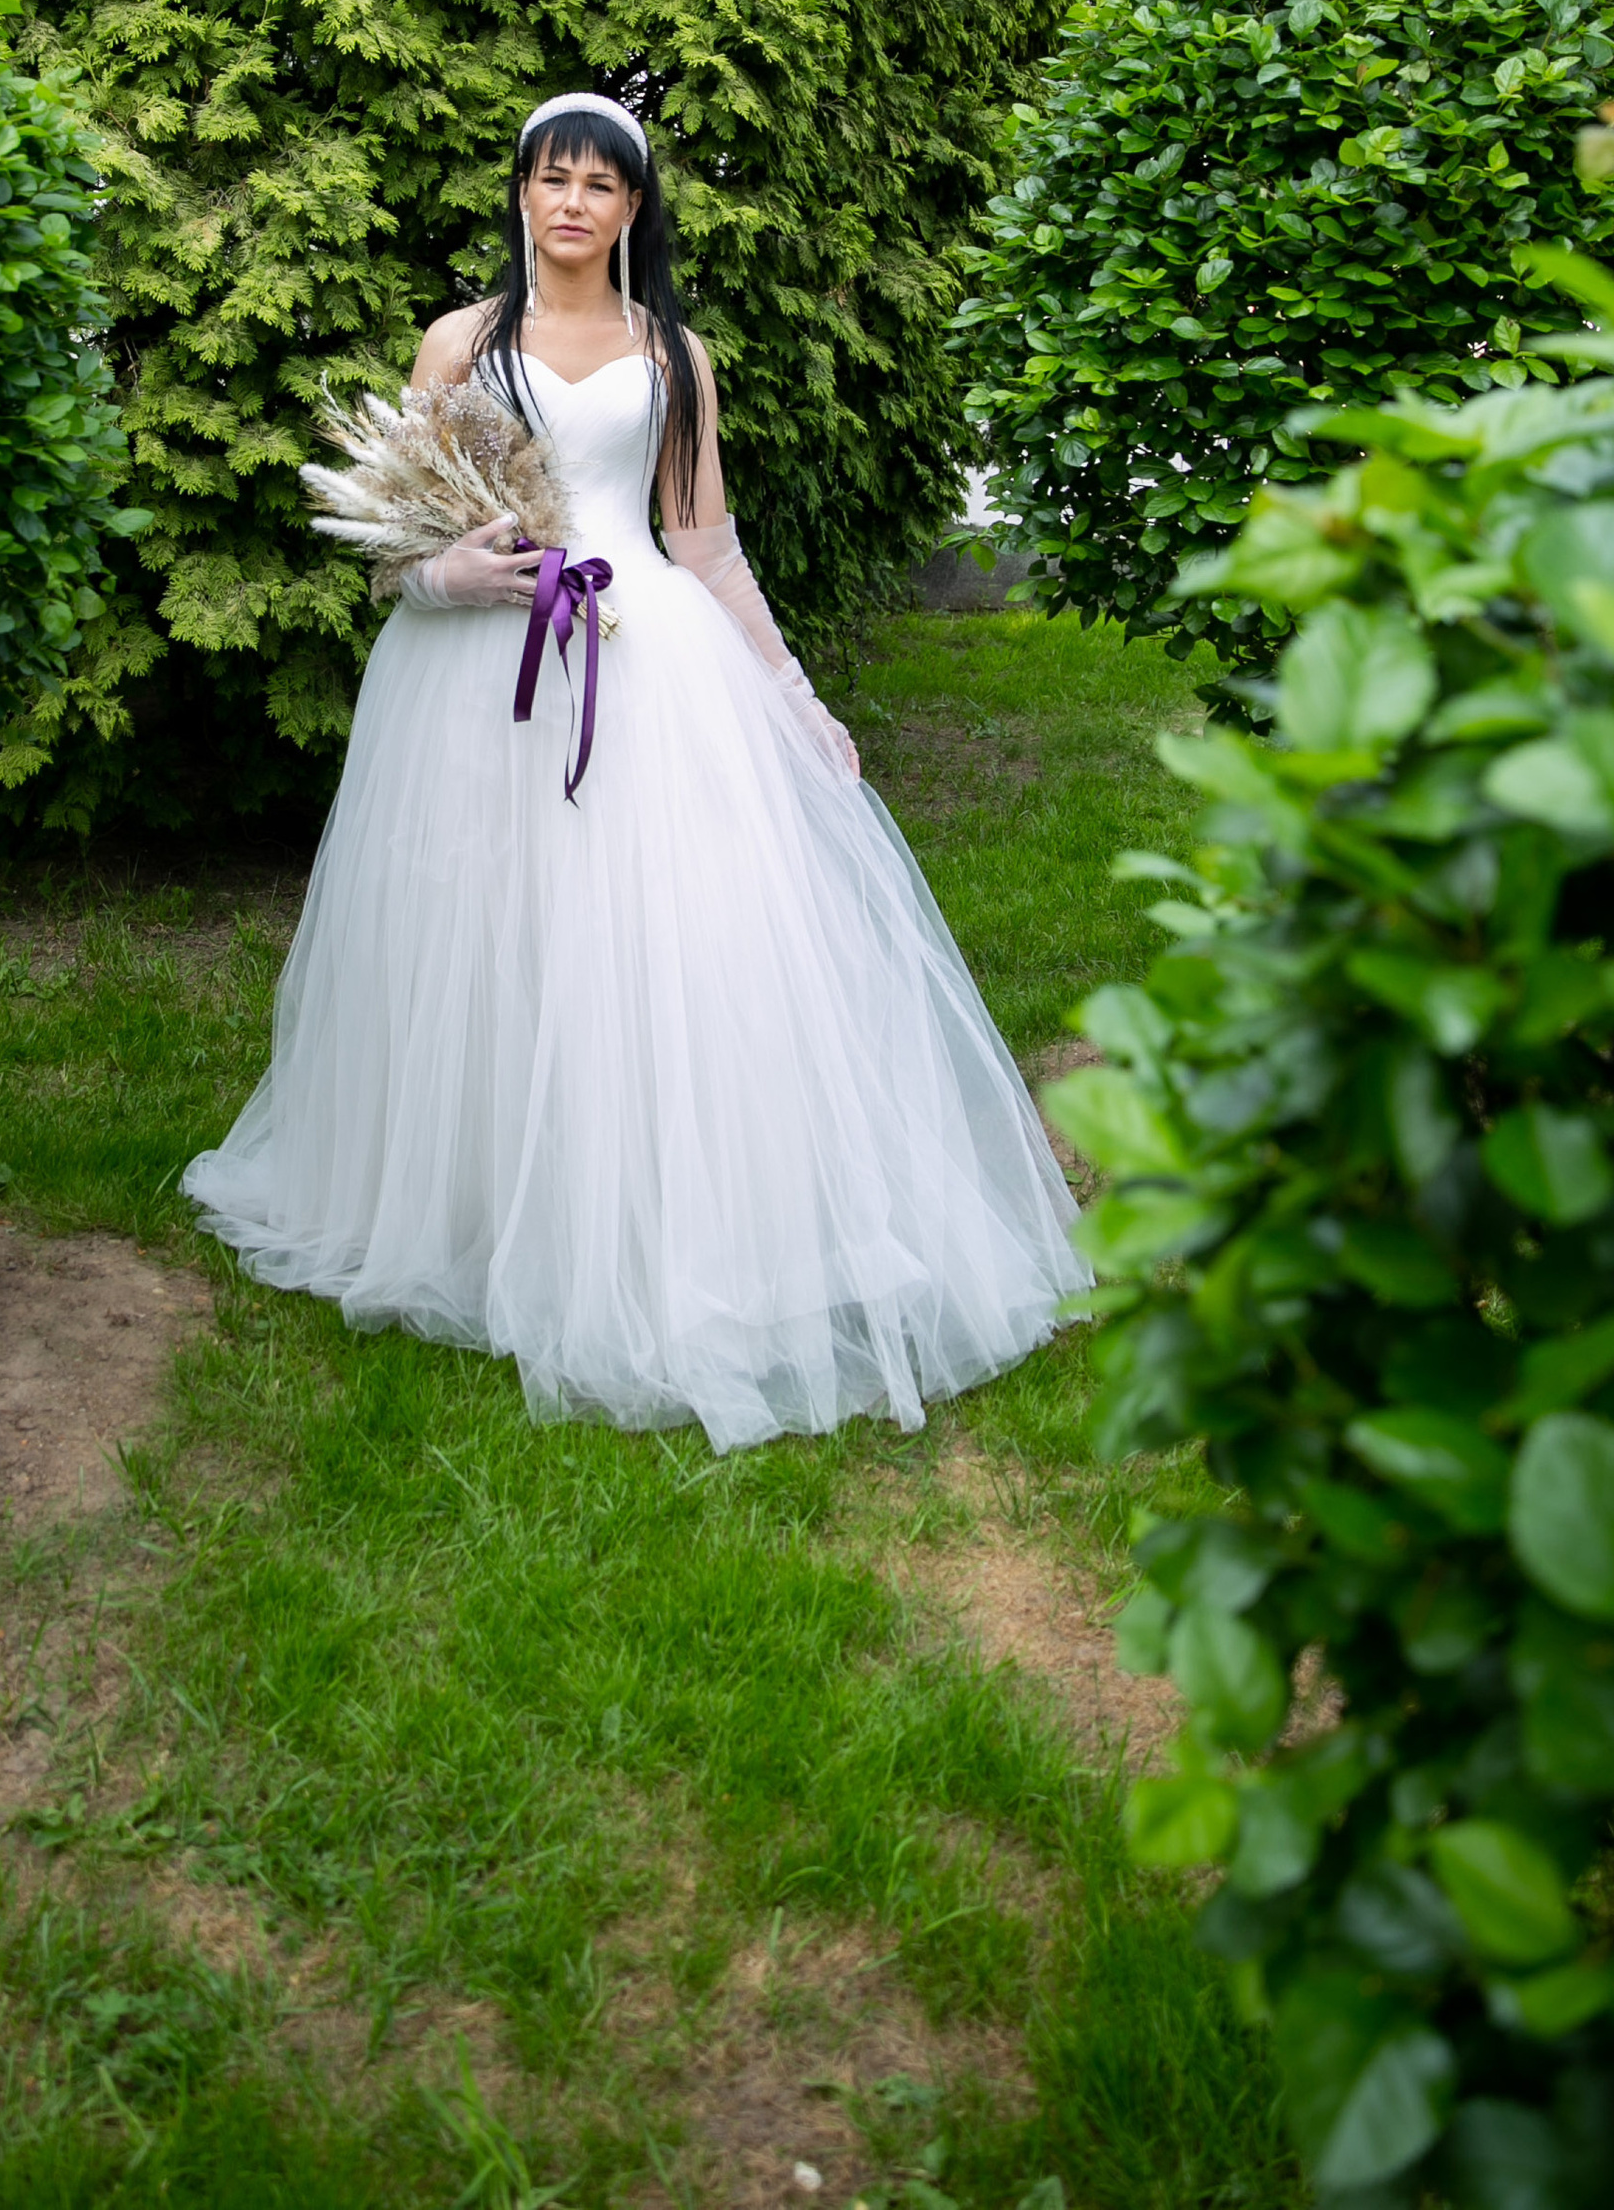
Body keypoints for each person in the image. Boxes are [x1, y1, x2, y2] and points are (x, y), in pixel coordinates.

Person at [183, 91, 1084, 1451]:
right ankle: (479, 1209)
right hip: (475, 678)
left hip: (645, 661)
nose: (569, 204)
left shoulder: (675, 355)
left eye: (600, 185)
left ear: (633, 209)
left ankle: (658, 1223)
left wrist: (793, 695)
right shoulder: (461, 342)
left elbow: (704, 542)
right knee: (483, 941)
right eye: (549, 179)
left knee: (656, 941)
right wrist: (441, 574)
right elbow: (389, 532)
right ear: (521, 196)